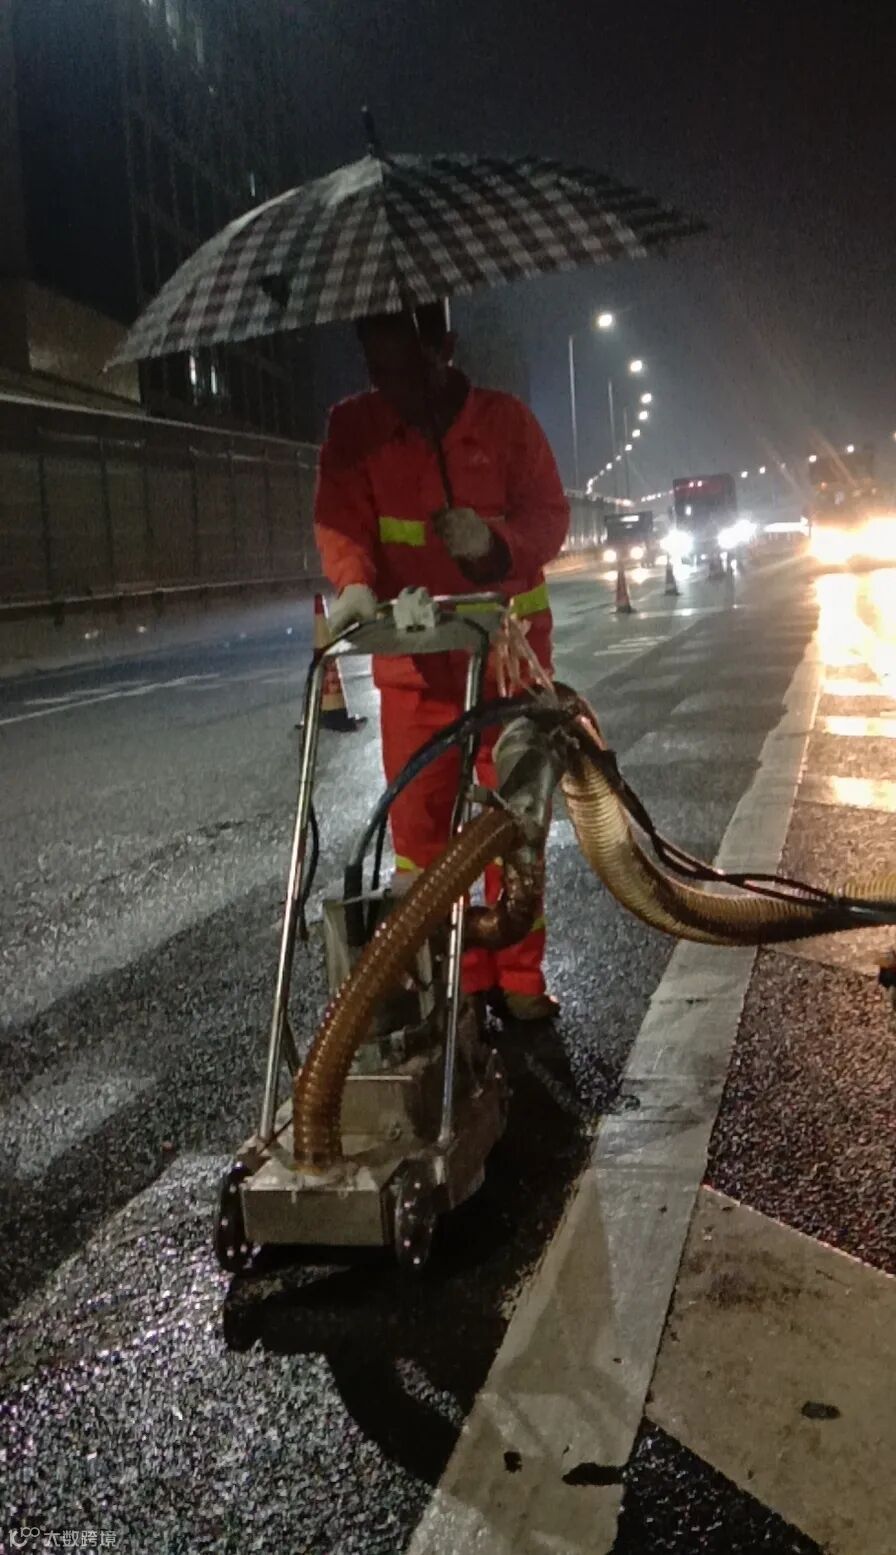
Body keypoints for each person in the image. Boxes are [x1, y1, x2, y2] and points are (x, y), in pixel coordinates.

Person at [313, 302, 569, 1021]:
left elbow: (550, 515)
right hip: (418, 673)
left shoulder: (506, 424)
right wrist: (354, 582)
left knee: (514, 825)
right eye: (379, 370)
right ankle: (456, 982)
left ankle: (518, 980)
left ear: (445, 348)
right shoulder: (355, 429)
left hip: (509, 666)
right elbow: (340, 516)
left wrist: (493, 546)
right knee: (423, 841)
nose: (392, 387)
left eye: (407, 368)